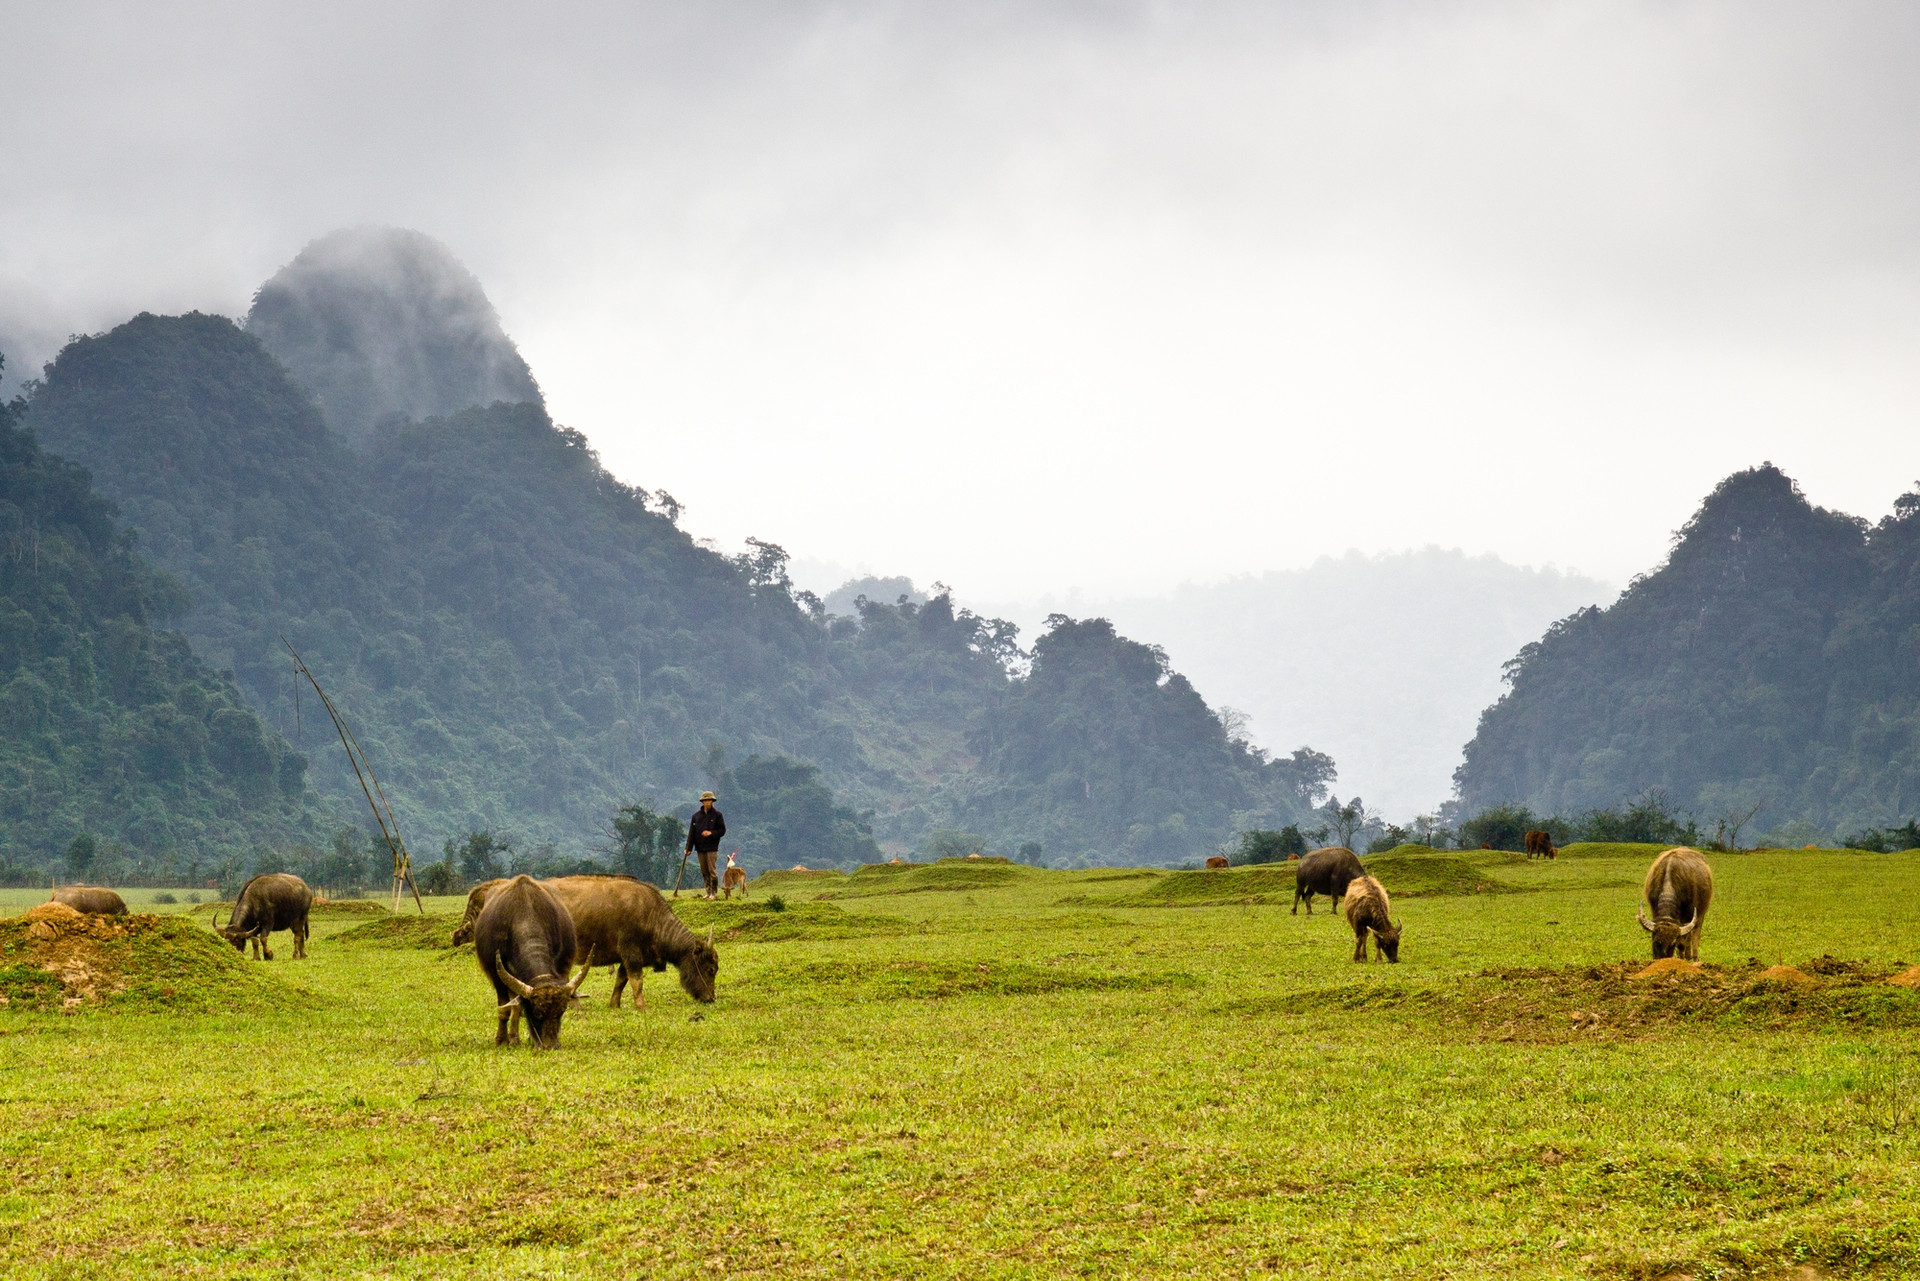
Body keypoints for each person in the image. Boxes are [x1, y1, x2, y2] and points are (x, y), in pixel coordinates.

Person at [685, 790, 727, 900]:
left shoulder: (717, 815)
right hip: (700, 847)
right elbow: (691, 833)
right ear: (702, 802)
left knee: (711, 870)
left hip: (712, 847)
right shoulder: (696, 816)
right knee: (704, 870)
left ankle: (713, 893)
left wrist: (711, 833)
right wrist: (688, 848)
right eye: (705, 800)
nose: (707, 802)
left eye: (709, 800)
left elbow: (722, 830)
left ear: (712, 801)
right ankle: (707, 892)